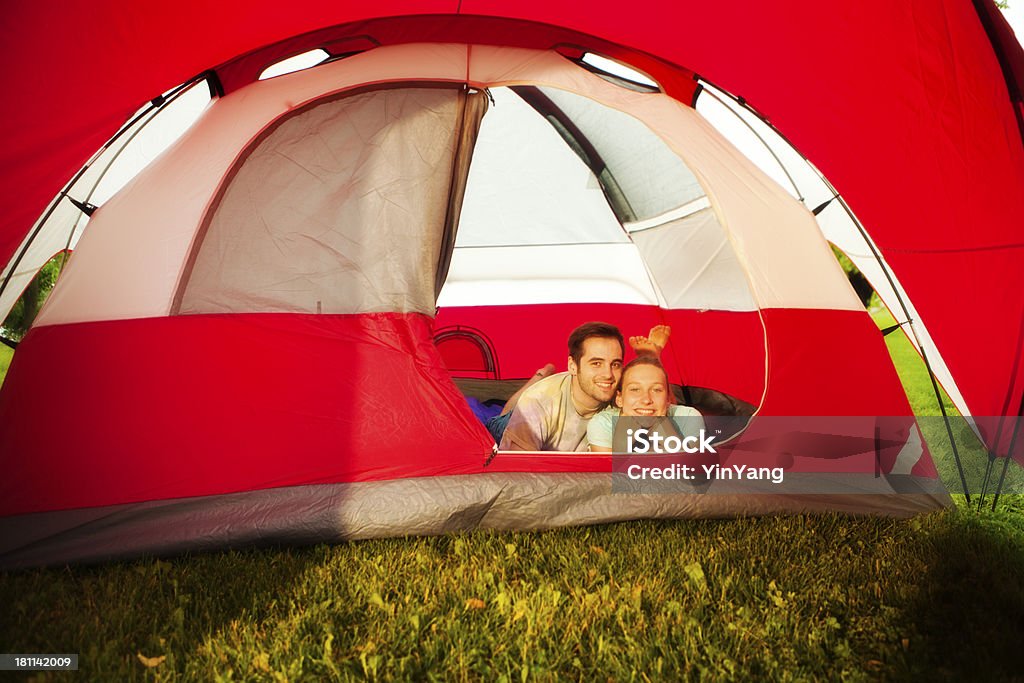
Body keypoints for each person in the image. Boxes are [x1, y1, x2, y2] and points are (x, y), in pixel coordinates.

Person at [495, 322, 670, 451]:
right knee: (503, 417)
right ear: (573, 365)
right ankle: (540, 375)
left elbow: (661, 405)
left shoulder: (620, 392)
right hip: (510, 424)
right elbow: (519, 472)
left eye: (615, 364)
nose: (608, 374)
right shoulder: (538, 401)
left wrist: (653, 360)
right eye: (596, 363)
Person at [587, 356, 704, 453]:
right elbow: (605, 478)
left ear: (668, 398)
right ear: (619, 399)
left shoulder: (688, 417)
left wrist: (673, 443)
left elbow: (697, 476)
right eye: (635, 389)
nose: (646, 400)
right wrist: (621, 444)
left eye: (656, 390)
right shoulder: (603, 423)